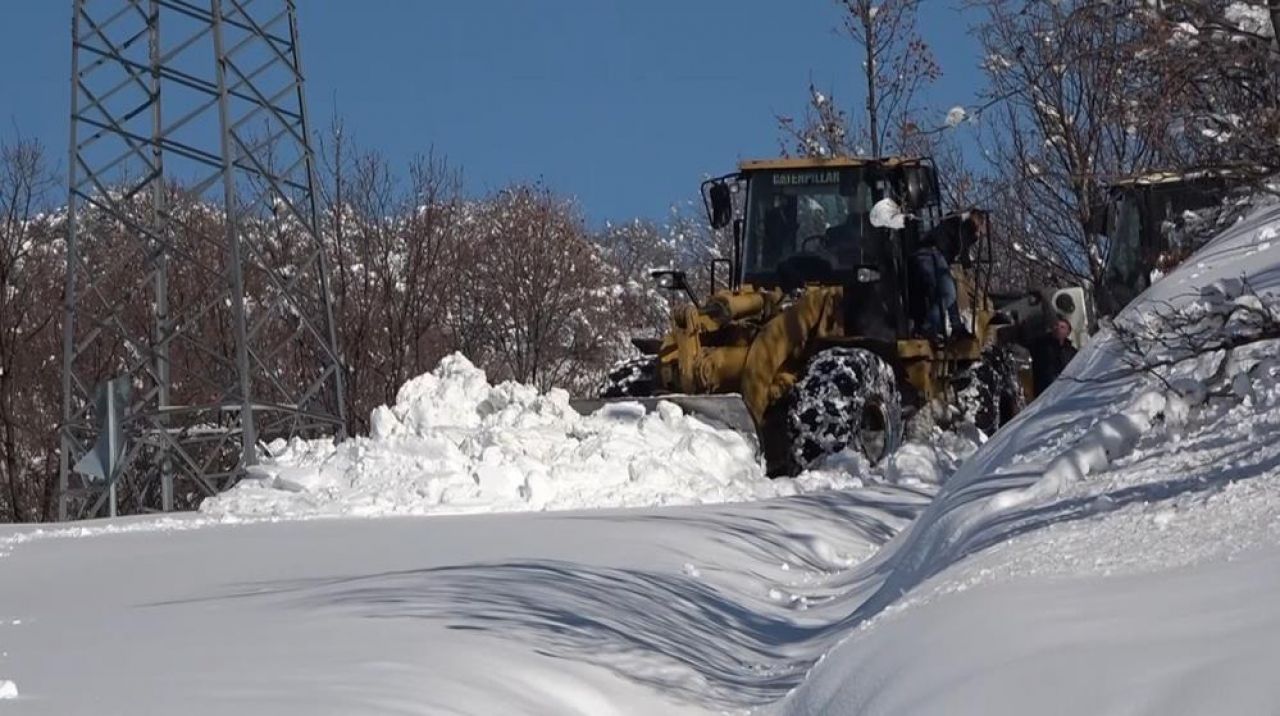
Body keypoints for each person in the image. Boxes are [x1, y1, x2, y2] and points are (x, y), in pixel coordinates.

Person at [1030, 317, 1077, 394]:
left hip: (1066, 389)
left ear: (1067, 333)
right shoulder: (1041, 345)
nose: (1058, 328)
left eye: (1062, 327)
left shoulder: (1072, 351)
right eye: (1056, 325)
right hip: (1045, 390)